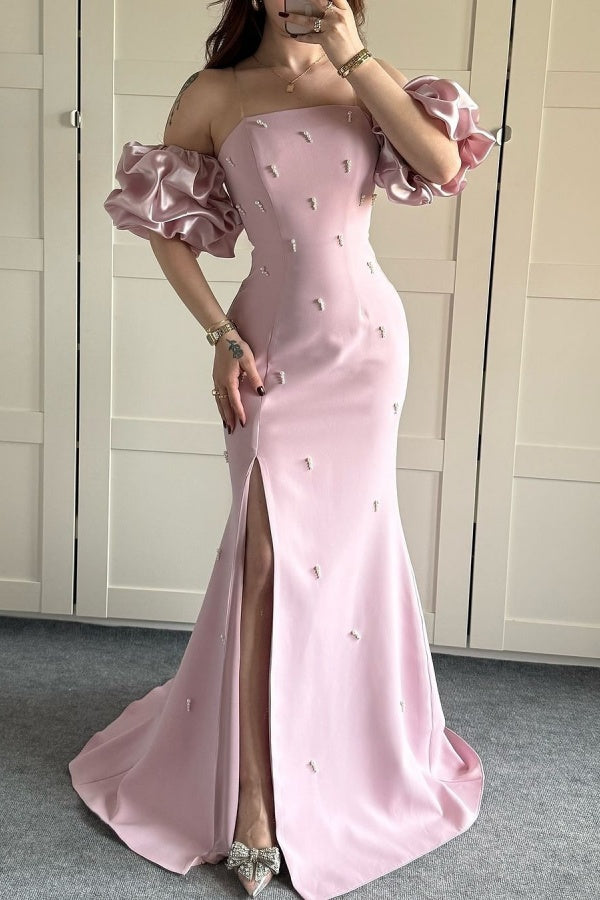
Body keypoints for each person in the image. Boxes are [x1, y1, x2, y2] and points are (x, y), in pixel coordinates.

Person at [68, 1, 496, 898]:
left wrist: (355, 56)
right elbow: (165, 230)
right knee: (263, 557)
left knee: (350, 551)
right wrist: (219, 334)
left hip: (366, 345)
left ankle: (345, 755)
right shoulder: (213, 93)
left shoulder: (366, 73)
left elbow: (442, 164)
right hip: (268, 345)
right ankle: (255, 800)